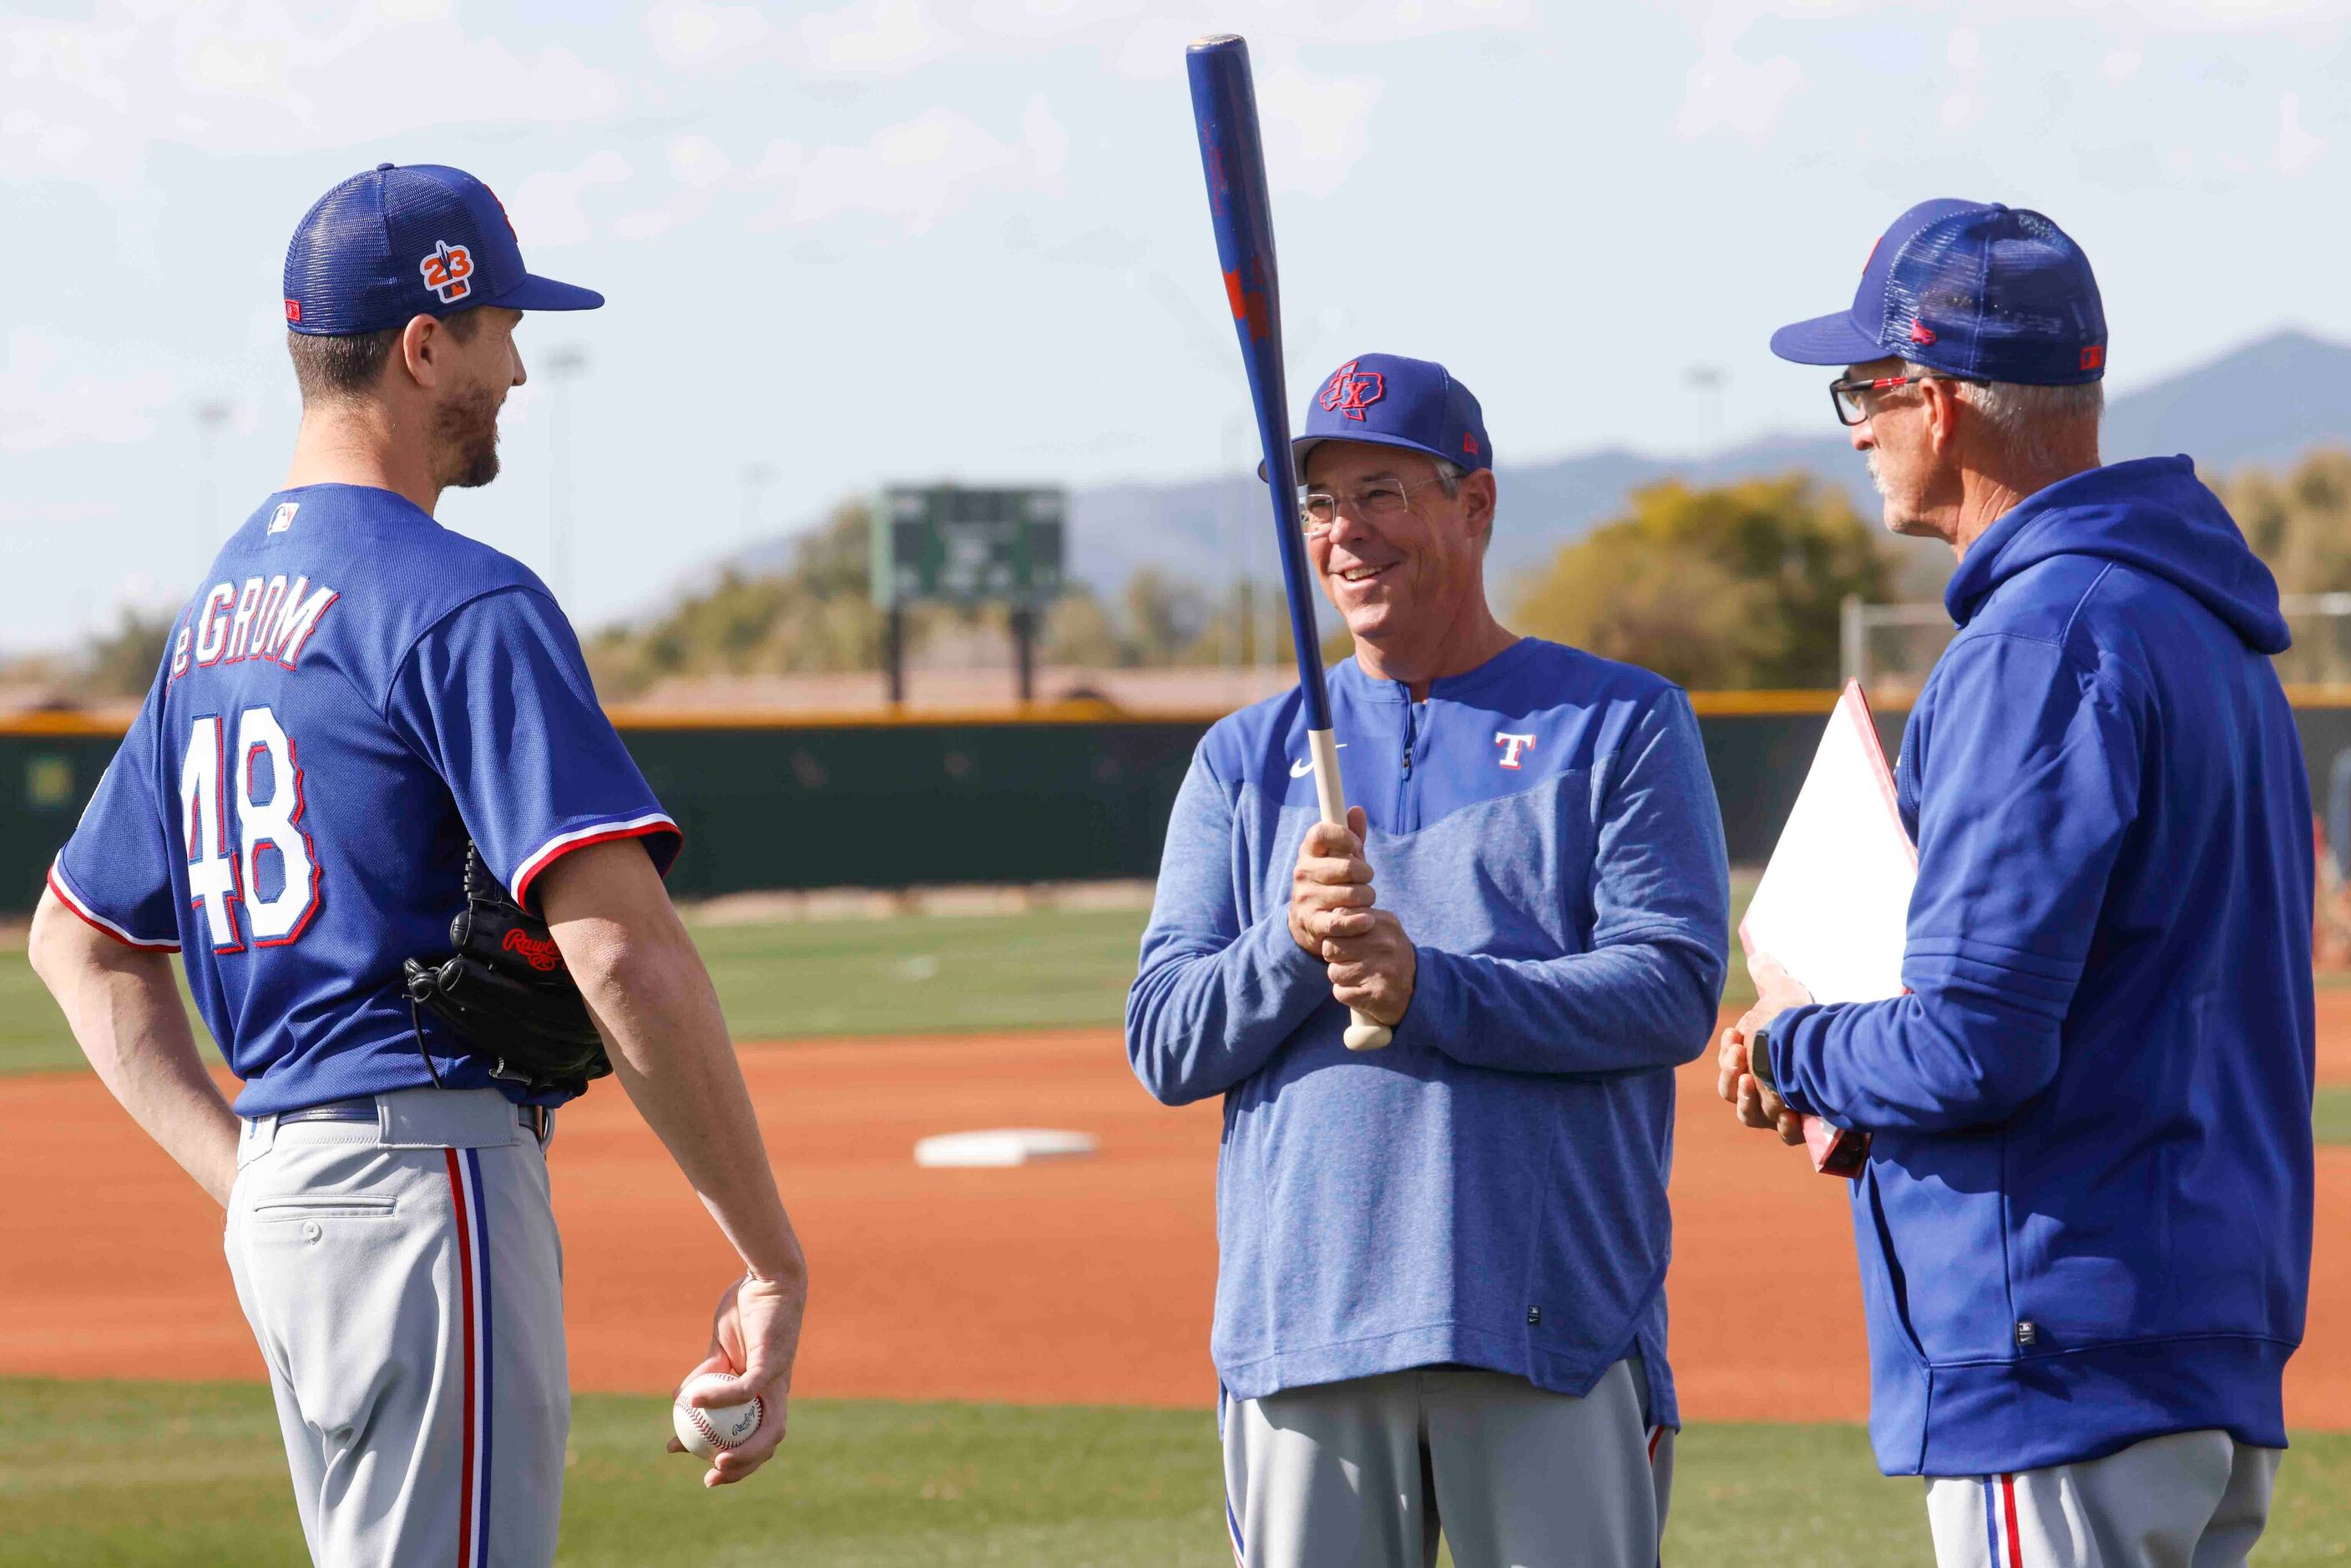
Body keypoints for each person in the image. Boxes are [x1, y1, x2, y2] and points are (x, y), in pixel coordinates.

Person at [28, 163, 810, 1565]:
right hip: (423, 1191)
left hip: (292, 1202)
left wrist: (251, 1172)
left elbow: (76, 940)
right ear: (423, 341)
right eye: (502, 325)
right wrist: (769, 1255)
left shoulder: (213, 621)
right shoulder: (457, 599)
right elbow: (622, 949)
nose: (519, 366)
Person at [1723, 200, 2313, 1567]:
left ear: (1934, 401)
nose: (1855, 426)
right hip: (2192, 1327)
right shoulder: (2207, 630)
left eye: (1863, 390)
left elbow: (1976, 1043)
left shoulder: (2044, 640)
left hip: (2061, 1350)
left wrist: (1790, 1044)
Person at [1126, 352, 1729, 1568]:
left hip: (1547, 1324)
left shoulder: (1617, 721)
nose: (1347, 533)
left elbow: (1668, 987)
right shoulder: (1241, 759)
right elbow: (1165, 1041)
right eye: (1321, 503)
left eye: (1384, 492)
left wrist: (1432, 988)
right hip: (1304, 1335)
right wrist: (1292, 944)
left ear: (1477, 503)